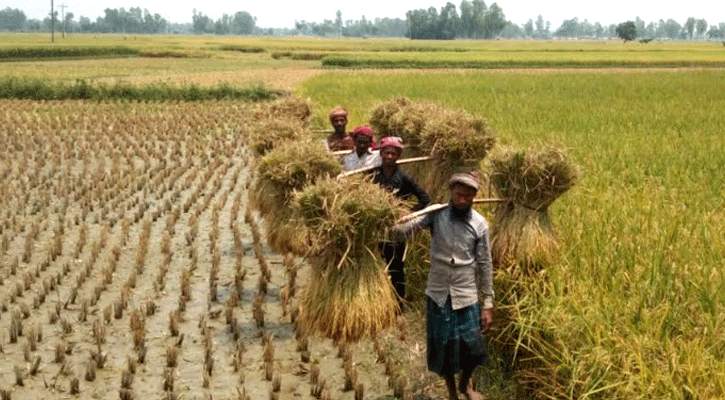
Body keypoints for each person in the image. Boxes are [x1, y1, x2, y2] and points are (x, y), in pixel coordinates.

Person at [394, 172, 493, 400]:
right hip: (438, 292)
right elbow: (405, 232)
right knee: (444, 347)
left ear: (474, 197)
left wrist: (488, 303)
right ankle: (451, 393)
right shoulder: (436, 214)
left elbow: (485, 264)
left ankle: (465, 386)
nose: (462, 200)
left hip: (466, 292)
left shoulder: (479, 224)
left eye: (467, 196)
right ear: (452, 192)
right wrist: (387, 223)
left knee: (473, 347)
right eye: (458, 194)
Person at [371, 137, 430, 309]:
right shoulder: (373, 175)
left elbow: (424, 198)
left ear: (398, 156)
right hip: (374, 229)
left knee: (396, 267)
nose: (389, 156)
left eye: (393, 153)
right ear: (380, 153)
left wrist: (407, 214)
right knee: (375, 266)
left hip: (396, 230)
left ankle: (398, 305)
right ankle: (377, 303)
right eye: (386, 152)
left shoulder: (404, 178)